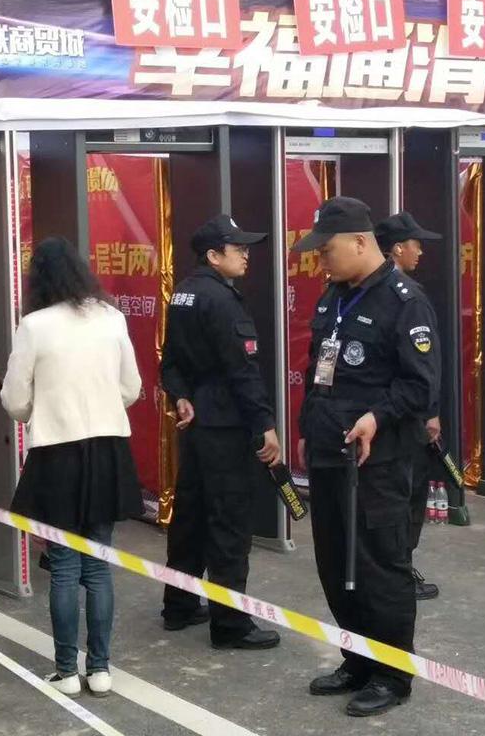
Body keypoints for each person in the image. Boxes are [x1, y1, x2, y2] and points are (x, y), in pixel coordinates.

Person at [292, 197, 440, 717]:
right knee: (336, 564)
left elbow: (420, 386)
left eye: (326, 250)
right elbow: (318, 371)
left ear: (360, 242)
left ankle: (392, 675)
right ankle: (356, 661)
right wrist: (307, 428)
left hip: (378, 463)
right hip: (330, 453)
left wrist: (377, 416)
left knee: (380, 566)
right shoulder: (334, 297)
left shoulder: (405, 301)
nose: (320, 261)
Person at [2, 237, 143, 698]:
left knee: (63, 567)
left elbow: (14, 399)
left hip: (56, 454)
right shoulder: (112, 317)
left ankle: (66, 671)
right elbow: (131, 387)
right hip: (107, 449)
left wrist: (39, 411)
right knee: (98, 566)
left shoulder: (34, 325)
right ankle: (100, 669)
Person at [160, 214, 282, 650]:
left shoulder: (183, 293)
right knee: (229, 522)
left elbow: (170, 361)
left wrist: (180, 396)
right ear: (213, 255)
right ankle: (230, 625)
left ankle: (179, 605)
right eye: (238, 249)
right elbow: (242, 371)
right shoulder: (222, 299)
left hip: (196, 423)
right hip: (226, 426)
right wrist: (265, 425)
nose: (246, 255)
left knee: (190, 517)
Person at [374, 212, 442, 601]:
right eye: (416, 244)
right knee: (408, 496)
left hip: (383, 416)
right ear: (398, 248)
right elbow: (420, 367)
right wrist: (430, 411)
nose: (421, 251)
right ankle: (399, 573)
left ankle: (393, 568)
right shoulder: (405, 295)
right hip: (403, 419)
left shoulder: (370, 292)